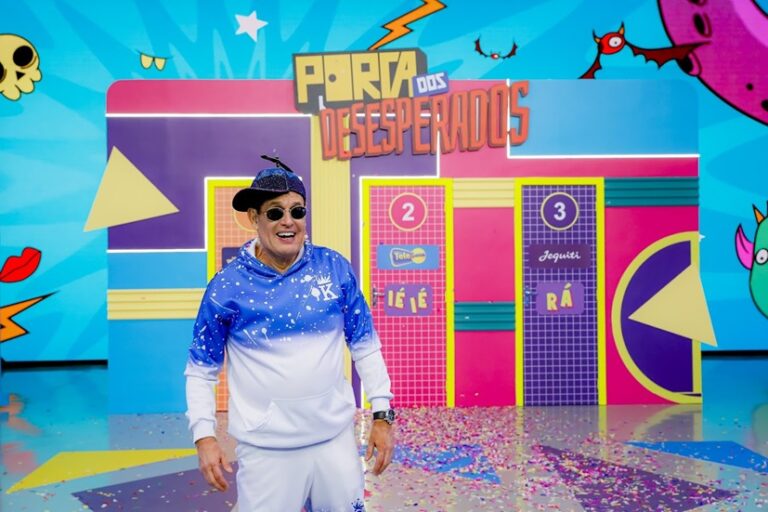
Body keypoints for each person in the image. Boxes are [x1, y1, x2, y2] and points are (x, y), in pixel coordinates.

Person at [184, 155, 395, 511]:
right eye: (275, 212)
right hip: (266, 451)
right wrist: (204, 436)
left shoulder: (334, 268)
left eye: (297, 211)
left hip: (334, 442)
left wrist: (382, 415)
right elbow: (201, 370)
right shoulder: (226, 287)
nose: (288, 221)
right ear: (254, 218)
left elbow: (365, 346)